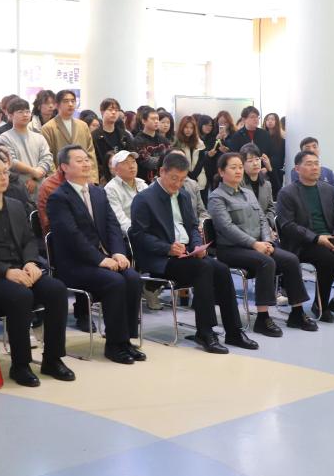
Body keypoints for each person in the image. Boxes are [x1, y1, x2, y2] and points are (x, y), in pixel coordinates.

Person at [0, 151, 75, 387]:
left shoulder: (16, 205)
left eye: (5, 172)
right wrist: (6, 272)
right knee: (21, 296)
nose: (4, 177)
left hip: (21, 269)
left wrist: (30, 262)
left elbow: (29, 239)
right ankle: (21, 364)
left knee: (56, 290)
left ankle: (52, 359)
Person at [128, 152, 259, 353]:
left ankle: (234, 330)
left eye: (182, 179)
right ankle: (205, 331)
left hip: (186, 255)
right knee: (204, 268)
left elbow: (192, 227)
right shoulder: (144, 199)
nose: (178, 184)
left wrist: (197, 246)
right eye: (174, 178)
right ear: (162, 171)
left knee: (221, 269)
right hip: (161, 260)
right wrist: (167, 248)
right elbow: (138, 236)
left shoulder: (184, 195)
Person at [47, 145, 145, 365]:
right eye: (79, 160)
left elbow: (112, 226)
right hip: (75, 265)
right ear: (64, 167)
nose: (86, 164)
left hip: (104, 259)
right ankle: (114, 344)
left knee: (132, 278)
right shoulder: (59, 198)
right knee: (114, 281)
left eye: (87, 159)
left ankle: (126, 340)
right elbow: (71, 236)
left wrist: (118, 252)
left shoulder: (98, 192)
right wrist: (100, 259)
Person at [208, 153, 316, 337]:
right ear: (221, 171)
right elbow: (226, 227)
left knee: (291, 259)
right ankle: (263, 318)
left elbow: (262, 220)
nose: (238, 171)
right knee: (266, 262)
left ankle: (297, 313)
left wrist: (267, 241)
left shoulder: (248, 193)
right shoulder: (217, 197)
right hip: (231, 249)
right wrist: (254, 244)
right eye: (233, 168)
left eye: (240, 167)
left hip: (257, 245)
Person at [277, 150, 334, 322]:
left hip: (330, 239)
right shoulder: (287, 193)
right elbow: (288, 226)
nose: (315, 167)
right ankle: (320, 305)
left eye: (317, 163)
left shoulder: (327, 189)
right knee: (330, 262)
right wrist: (317, 238)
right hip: (303, 244)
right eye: (309, 164)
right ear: (297, 169)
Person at [0, 98, 54, 199]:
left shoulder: (39, 137)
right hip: (16, 188)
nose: (25, 115)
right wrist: (33, 172)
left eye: (27, 112)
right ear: (10, 115)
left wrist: (35, 177)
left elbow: (47, 158)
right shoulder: (4, 138)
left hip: (40, 187)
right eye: (20, 112)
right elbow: (10, 161)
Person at [41, 90, 99, 184]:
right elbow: (48, 157)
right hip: (61, 180)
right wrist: (55, 179)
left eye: (73, 101)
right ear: (57, 105)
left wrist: (93, 178)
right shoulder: (48, 128)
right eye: (66, 101)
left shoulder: (83, 125)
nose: (70, 104)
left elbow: (90, 152)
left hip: (84, 178)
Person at [92, 98, 134, 184]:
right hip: (103, 178)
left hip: (123, 175)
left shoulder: (124, 135)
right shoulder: (94, 136)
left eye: (116, 110)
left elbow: (130, 154)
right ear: (102, 112)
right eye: (110, 110)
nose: (114, 112)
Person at [105, 150, 147, 235]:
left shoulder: (142, 184)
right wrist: (138, 233)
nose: (131, 166)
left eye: (133, 162)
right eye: (125, 163)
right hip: (130, 235)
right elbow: (120, 220)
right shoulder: (110, 189)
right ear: (115, 169)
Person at [238, 143, 276, 230]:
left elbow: (271, 208)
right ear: (242, 164)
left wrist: (267, 225)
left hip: (266, 228)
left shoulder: (267, 184)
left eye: (257, 159)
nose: (255, 163)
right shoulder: (238, 184)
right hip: (246, 229)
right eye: (250, 161)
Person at [132, 105, 170, 183]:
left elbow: (170, 156)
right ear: (144, 121)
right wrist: (165, 161)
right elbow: (147, 161)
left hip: (163, 181)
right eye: (153, 119)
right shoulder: (138, 140)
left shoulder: (163, 139)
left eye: (157, 119)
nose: (156, 121)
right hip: (145, 182)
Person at [173, 115, 207, 194]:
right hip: (182, 177)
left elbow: (201, 161)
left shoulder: (199, 143)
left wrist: (193, 175)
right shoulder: (177, 142)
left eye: (191, 128)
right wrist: (188, 175)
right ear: (182, 127)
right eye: (186, 127)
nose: (188, 130)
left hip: (199, 177)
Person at [262, 112, 285, 196]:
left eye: (272, 119)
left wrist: (268, 168)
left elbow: (279, 159)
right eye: (267, 119)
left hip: (275, 172)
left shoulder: (281, 141)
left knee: (275, 195)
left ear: (277, 122)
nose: (270, 121)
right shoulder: (261, 138)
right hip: (261, 171)